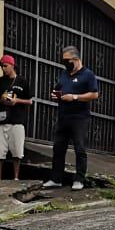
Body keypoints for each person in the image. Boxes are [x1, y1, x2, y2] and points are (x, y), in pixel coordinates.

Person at [45, 45, 99, 191]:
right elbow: (58, 89)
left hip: (79, 118)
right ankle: (56, 179)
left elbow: (94, 94)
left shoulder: (88, 75)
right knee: (58, 148)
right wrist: (57, 94)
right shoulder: (64, 74)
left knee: (79, 149)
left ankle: (79, 179)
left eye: (67, 60)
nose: (65, 63)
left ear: (76, 59)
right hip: (63, 116)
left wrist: (74, 97)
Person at [0, 54, 33, 181]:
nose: (3, 69)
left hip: (17, 120)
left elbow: (29, 101)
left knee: (17, 151)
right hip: (2, 120)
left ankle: (16, 177)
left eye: (5, 66)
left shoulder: (22, 82)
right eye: (2, 66)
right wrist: (1, 100)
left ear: (12, 66)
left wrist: (16, 100)